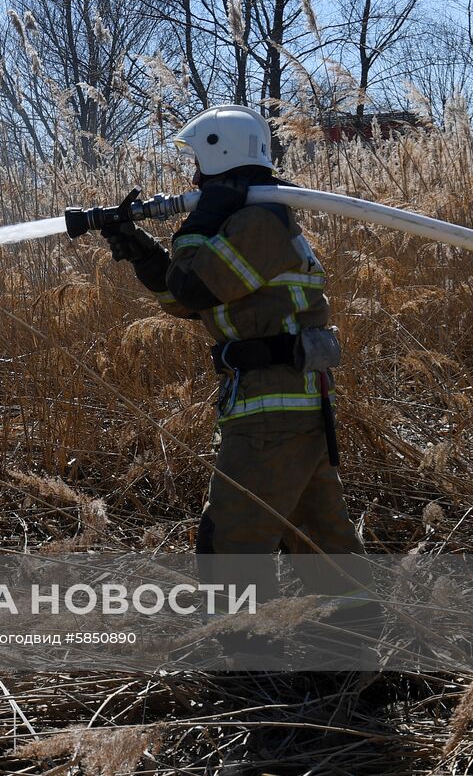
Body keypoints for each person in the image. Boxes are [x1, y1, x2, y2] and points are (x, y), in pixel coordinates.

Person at [97, 105, 372, 661]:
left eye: (198, 165)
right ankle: (353, 647)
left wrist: (198, 224)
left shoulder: (259, 223)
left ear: (219, 155)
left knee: (231, 539)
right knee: (320, 536)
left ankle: (245, 662)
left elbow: (195, 286)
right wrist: (141, 251)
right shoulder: (252, 222)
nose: (193, 177)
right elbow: (190, 297)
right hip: (288, 407)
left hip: (272, 413)